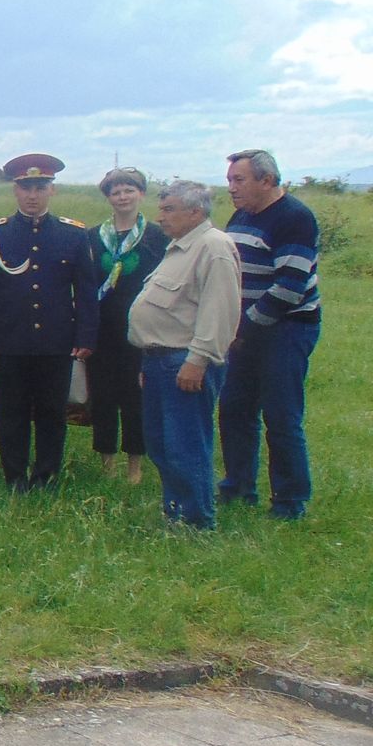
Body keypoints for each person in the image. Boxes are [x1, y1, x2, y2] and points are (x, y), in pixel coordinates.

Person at [0, 154, 99, 491]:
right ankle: (15, 476)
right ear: (15, 190)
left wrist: (86, 335)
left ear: (51, 191)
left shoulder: (73, 235)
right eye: (26, 188)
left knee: (52, 412)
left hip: (56, 339)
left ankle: (47, 475)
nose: (33, 195)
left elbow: (86, 291)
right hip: (9, 340)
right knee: (10, 412)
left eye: (40, 187)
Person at [129, 182, 243, 530]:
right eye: (161, 208)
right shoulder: (180, 246)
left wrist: (199, 360)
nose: (160, 216)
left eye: (169, 209)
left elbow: (218, 311)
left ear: (195, 212)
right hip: (159, 361)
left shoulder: (214, 247)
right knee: (162, 445)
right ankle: (175, 512)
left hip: (186, 362)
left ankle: (196, 521)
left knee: (186, 445)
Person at [221, 148, 322, 519]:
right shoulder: (242, 215)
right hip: (247, 329)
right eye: (230, 179)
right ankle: (237, 486)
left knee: (281, 416)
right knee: (234, 409)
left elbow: (289, 288)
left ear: (267, 180)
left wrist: (239, 329)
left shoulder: (295, 219)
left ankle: (290, 500)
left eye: (239, 180)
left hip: (288, 329)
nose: (231, 187)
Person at [85, 167, 169, 484]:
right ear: (108, 197)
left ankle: (135, 467)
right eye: (116, 191)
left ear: (141, 194)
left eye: (128, 190)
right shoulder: (93, 236)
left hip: (142, 329)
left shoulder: (157, 236)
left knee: (136, 397)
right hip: (102, 328)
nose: (122, 197)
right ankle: (106, 464)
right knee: (104, 396)